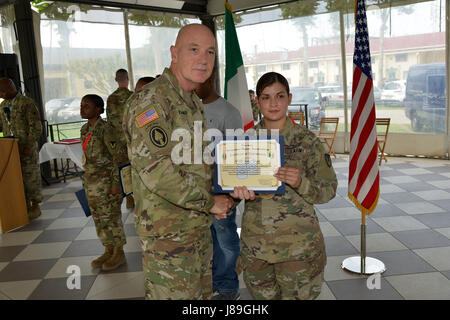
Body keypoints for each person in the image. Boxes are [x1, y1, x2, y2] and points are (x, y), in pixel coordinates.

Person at [122, 24, 233, 300]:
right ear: (174, 53)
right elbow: (158, 172)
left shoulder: (191, 101)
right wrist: (210, 203)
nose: (203, 59)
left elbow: (196, 166)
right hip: (168, 240)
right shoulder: (152, 101)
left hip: (196, 231)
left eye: (210, 52)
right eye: (193, 49)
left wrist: (223, 194)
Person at [233, 72, 337, 300]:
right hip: (257, 249)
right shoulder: (245, 142)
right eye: (266, 97)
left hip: (298, 250)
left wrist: (302, 183)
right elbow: (232, 186)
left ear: (289, 98)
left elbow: (329, 189)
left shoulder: (308, 142)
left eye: (279, 96)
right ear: (257, 101)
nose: (273, 103)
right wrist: (235, 193)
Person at [195, 70, 242, 300]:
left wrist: (232, 197)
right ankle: (210, 283)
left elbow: (235, 155)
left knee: (225, 242)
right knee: (204, 241)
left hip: (220, 189)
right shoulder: (187, 108)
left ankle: (228, 287)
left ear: (211, 80)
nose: (193, 86)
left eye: (199, 82)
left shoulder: (228, 112)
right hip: (194, 191)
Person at [80, 94, 128, 271]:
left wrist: (117, 184)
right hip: (92, 183)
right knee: (99, 218)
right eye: (81, 105)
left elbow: (119, 157)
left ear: (98, 109)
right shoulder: (84, 129)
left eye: (87, 106)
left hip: (107, 183)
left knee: (112, 218)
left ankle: (119, 252)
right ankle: (108, 249)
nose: (82, 109)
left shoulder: (106, 129)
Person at [0, 78, 42, 220]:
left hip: (26, 148)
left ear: (9, 88)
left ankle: (35, 206)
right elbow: (3, 126)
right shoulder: (3, 105)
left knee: (30, 177)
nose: (0, 95)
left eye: (1, 91)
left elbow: (36, 127)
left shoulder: (26, 103)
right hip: (10, 149)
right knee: (16, 178)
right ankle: (22, 205)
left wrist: (29, 145)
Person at [106, 69, 134, 209]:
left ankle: (128, 197)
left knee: (123, 169)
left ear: (116, 79)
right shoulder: (134, 96)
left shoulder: (111, 98)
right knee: (136, 167)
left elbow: (109, 121)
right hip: (133, 139)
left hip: (118, 141)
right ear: (128, 78)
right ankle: (137, 196)